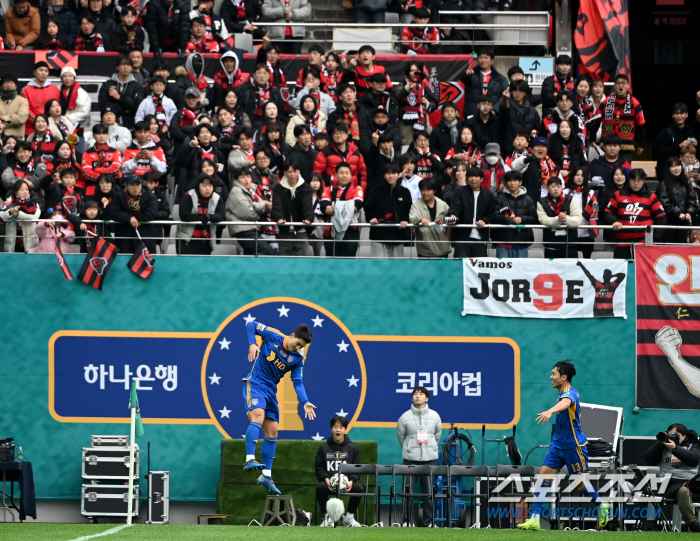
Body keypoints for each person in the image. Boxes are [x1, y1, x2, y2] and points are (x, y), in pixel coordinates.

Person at [517, 361, 610, 531]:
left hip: (573, 446)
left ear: (564, 377)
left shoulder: (570, 393)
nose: (551, 377)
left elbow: (566, 403)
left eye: (554, 374)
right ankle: (535, 519)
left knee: (579, 482)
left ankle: (602, 506)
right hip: (557, 445)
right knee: (543, 478)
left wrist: (550, 411)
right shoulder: (561, 393)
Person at [242, 320, 315, 494]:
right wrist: (253, 344)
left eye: (301, 346)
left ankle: (266, 475)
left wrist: (305, 402)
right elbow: (251, 325)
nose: (297, 348)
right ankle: (250, 459)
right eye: (297, 343)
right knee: (258, 416)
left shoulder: (297, 359)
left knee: (273, 432)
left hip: (270, 392)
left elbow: (298, 383)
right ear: (292, 335)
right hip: (256, 384)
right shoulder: (273, 335)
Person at [396, 386, 442, 528]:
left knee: (429, 493)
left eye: (421, 394)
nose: (418, 396)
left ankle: (429, 523)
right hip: (410, 460)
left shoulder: (435, 416)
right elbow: (401, 437)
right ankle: (407, 522)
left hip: (429, 460)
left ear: (426, 398)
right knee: (407, 492)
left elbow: (437, 435)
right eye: (415, 394)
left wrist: (430, 448)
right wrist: (410, 448)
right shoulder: (404, 417)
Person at [643, 424, 700, 533]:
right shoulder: (662, 445)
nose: (673, 437)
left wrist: (675, 449)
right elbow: (648, 459)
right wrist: (660, 443)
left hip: (688, 483)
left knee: (684, 490)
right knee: (681, 491)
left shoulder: (693, 445)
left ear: (684, 436)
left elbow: (694, 460)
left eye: (676, 435)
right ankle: (693, 525)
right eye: (670, 434)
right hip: (668, 484)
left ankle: (693, 524)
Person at [315, 415, 364, 528]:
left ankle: (348, 518)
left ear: (345, 429)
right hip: (329, 483)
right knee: (320, 487)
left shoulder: (353, 448)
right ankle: (328, 517)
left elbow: (357, 469)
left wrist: (351, 481)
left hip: (347, 483)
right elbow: (319, 468)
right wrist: (326, 479)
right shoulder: (324, 447)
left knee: (359, 488)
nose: (338, 430)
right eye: (335, 427)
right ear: (331, 429)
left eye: (341, 427)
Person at [364, 163, 412, 258]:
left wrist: (406, 220)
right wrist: (371, 218)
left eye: (394, 173)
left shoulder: (405, 192)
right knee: (378, 266)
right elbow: (368, 208)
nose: (391, 176)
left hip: (398, 234)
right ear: (384, 175)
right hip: (378, 234)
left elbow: (408, 210)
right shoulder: (375, 190)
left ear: (399, 174)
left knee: (396, 267)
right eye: (388, 173)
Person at [447, 167, 496, 257]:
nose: (473, 179)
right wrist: (453, 215)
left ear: (481, 179)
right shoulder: (460, 192)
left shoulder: (488, 195)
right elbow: (455, 207)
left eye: (476, 176)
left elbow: (491, 213)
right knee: (460, 264)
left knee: (479, 266)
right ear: (467, 178)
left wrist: (484, 221)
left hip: (480, 237)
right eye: (470, 176)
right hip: (462, 237)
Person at [226, 167, 275, 255]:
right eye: (242, 177)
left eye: (248, 176)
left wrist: (254, 205)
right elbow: (249, 213)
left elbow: (262, 204)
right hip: (244, 230)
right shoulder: (236, 191)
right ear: (236, 180)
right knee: (268, 251)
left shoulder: (250, 190)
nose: (246, 180)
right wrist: (259, 215)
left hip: (251, 229)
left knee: (250, 256)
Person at [320, 162, 363, 257]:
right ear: (336, 174)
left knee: (349, 264)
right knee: (331, 264)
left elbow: (356, 206)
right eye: (341, 173)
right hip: (332, 231)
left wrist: (335, 205)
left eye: (347, 173)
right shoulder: (328, 190)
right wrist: (347, 206)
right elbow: (325, 208)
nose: (344, 175)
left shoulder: (357, 189)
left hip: (350, 231)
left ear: (351, 175)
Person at [491, 170, 536, 258]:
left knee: (521, 270)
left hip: (522, 240)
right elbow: (494, 217)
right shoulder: (500, 198)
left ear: (520, 182)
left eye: (515, 180)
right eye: (509, 181)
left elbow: (534, 218)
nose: (512, 183)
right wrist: (506, 218)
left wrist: (522, 219)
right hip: (503, 241)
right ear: (506, 182)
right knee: (503, 271)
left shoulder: (528, 200)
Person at [600, 74, 646, 162]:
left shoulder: (635, 103)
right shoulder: (606, 101)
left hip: (626, 145)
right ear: (614, 85)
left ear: (628, 86)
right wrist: (592, 139)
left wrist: (642, 143)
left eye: (623, 83)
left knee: (624, 171)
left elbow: (641, 124)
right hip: (608, 145)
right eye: (618, 83)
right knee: (607, 170)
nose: (620, 85)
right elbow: (596, 120)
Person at [177, 173, 225, 255]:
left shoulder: (217, 199)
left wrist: (209, 217)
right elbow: (184, 215)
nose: (208, 189)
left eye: (210, 186)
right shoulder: (188, 196)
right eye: (204, 186)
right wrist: (201, 219)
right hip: (187, 241)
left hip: (206, 242)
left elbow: (222, 216)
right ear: (197, 186)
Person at [272, 161, 313, 256]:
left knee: (302, 263)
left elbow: (307, 205)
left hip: (301, 232)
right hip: (284, 232)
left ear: (299, 172)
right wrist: (279, 217)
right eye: (289, 172)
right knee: (285, 263)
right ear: (285, 173)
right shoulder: (278, 188)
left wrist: (309, 218)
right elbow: (277, 206)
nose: (292, 175)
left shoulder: (306, 188)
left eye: (295, 171)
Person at [110, 174, 159, 254]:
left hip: (145, 237)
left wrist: (136, 219)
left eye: (137, 184)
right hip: (124, 237)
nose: (135, 187)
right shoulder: (119, 196)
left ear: (141, 185)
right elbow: (114, 212)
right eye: (132, 185)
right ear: (126, 186)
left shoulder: (150, 196)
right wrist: (129, 218)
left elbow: (151, 213)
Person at [536, 176, 583, 259]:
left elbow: (578, 220)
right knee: (551, 271)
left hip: (570, 244)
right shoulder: (541, 202)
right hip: (551, 244)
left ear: (562, 187)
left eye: (558, 186)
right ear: (547, 188)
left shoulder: (571, 200)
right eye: (553, 186)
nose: (556, 189)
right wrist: (557, 219)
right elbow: (543, 220)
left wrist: (566, 219)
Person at [656, 157, 698, 244]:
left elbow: (692, 200)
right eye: (673, 166)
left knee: (681, 249)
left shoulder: (686, 183)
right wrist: (678, 213)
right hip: (668, 223)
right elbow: (664, 203)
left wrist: (689, 213)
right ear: (668, 169)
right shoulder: (663, 184)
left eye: (678, 165)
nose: (676, 168)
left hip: (683, 223)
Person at [313, 123, 367, 190]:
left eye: (341, 133)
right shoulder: (324, 153)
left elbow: (362, 176)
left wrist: (360, 192)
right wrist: (325, 192)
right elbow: (318, 175)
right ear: (332, 136)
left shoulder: (356, 153)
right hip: (331, 193)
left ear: (347, 135)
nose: (338, 135)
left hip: (353, 192)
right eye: (335, 133)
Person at [97, 55, 144, 130]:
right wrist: (125, 110)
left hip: (131, 125)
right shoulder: (107, 84)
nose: (126, 67)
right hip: (110, 125)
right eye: (123, 64)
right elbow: (104, 104)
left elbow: (138, 105)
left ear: (132, 68)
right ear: (117, 67)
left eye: (128, 65)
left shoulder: (137, 86)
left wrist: (119, 97)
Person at [459, 47, 508, 118]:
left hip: (492, 115)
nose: (483, 60)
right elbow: (462, 79)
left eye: (486, 58)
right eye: (480, 57)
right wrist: (466, 74)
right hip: (473, 113)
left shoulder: (500, 78)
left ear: (492, 60)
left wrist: (495, 110)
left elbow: (504, 95)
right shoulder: (471, 74)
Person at [235, 64, 286, 130]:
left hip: (270, 129)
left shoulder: (275, 92)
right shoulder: (245, 90)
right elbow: (240, 110)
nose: (262, 76)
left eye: (265, 73)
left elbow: (281, 112)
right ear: (254, 75)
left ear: (269, 76)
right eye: (259, 73)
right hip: (249, 127)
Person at [409, 177, 451, 258]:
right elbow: (412, 218)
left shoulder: (443, 205)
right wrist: (420, 219)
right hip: (425, 249)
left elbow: (449, 222)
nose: (425, 193)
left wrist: (447, 239)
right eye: (422, 190)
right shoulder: (416, 205)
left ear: (434, 191)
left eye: (428, 190)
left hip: (442, 247)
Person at [654, 103, 698, 179]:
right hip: (668, 174)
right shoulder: (665, 133)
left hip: (687, 174)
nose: (679, 116)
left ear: (686, 115)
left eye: (682, 113)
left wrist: (697, 144)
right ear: (672, 115)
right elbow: (660, 154)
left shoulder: (690, 132)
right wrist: (679, 146)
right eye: (676, 113)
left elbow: (695, 154)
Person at [394, 62, 436, 138]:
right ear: (408, 72)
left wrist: (426, 103)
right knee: (407, 146)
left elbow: (434, 103)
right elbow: (398, 97)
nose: (414, 73)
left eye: (417, 70)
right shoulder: (402, 84)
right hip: (405, 124)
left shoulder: (426, 86)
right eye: (412, 71)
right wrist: (408, 89)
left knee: (422, 145)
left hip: (421, 122)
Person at [564, 167, 598, 259]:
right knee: (571, 261)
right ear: (573, 176)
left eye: (582, 176)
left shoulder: (591, 193)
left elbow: (595, 213)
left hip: (586, 233)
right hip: (570, 233)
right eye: (577, 175)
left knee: (587, 261)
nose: (579, 177)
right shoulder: (565, 192)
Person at [499, 80, 540, 157]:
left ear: (525, 93)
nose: (518, 93)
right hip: (509, 149)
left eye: (521, 90)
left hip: (527, 149)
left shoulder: (532, 110)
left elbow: (538, 127)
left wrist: (534, 132)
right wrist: (505, 100)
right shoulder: (507, 106)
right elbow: (503, 116)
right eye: (515, 90)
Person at [510, 136, 558, 200]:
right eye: (537, 146)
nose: (540, 149)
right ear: (532, 149)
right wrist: (525, 160)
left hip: (549, 201)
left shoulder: (552, 165)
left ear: (547, 150)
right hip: (530, 202)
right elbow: (514, 167)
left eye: (543, 147)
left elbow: (560, 183)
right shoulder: (527, 160)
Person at [0, 179, 41, 253]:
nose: (25, 192)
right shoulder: (9, 202)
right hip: (12, 242)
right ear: (16, 192)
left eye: (27, 189)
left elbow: (35, 217)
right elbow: (2, 215)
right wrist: (11, 212)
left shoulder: (34, 203)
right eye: (22, 190)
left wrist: (19, 214)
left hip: (30, 243)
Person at [59, 67, 91, 152]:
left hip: (76, 129)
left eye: (70, 76)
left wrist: (67, 119)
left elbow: (85, 112)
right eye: (65, 76)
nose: (68, 78)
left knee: (77, 155)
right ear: (61, 78)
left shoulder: (81, 92)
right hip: (60, 128)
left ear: (74, 78)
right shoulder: (58, 91)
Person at [22, 61, 60, 134]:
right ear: (34, 72)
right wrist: (39, 122)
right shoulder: (25, 90)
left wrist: (48, 123)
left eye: (46, 71)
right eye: (41, 70)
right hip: (31, 130)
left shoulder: (55, 89)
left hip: (52, 129)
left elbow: (58, 109)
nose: (43, 73)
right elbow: (26, 110)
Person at [0, 74, 29, 139]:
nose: (9, 85)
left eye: (11, 82)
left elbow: (21, 119)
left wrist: (4, 118)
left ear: (16, 86)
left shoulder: (23, 101)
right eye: (6, 82)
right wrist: (6, 125)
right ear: (1, 86)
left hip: (17, 138)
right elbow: (17, 120)